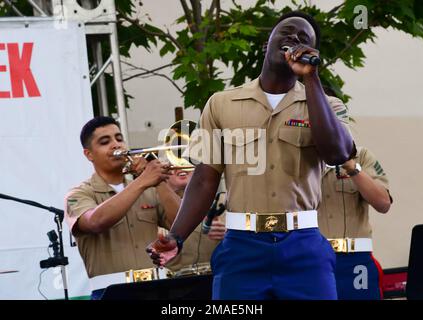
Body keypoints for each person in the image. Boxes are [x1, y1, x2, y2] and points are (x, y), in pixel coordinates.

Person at [147, 11, 355, 300]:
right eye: (286, 32)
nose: (294, 39)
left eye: (303, 38)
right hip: (241, 248)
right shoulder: (221, 103)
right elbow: (205, 180)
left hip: (303, 246)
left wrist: (311, 80)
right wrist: (177, 235)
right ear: (267, 44)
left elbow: (339, 153)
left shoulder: (325, 104)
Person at [64, 116, 180, 299]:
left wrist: (159, 182)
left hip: (156, 288)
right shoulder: (78, 194)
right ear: (89, 154)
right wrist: (143, 181)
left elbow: (180, 224)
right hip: (111, 292)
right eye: (105, 142)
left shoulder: (147, 186)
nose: (116, 145)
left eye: (119, 139)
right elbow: (96, 222)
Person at [318, 146, 392, 300]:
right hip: (313, 258)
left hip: (354, 260)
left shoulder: (361, 156)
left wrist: (352, 167)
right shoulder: (299, 156)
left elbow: (383, 204)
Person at [161, 169, 226, 274]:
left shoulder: (222, 201)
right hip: (175, 280)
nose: (181, 168)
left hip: (216, 274)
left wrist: (228, 233)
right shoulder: (154, 204)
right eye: (172, 163)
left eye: (185, 162)